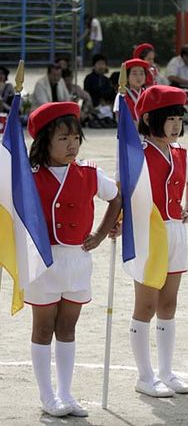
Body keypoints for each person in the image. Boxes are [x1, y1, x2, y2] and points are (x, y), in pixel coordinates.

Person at [24, 102, 121, 417]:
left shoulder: (91, 172)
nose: (72, 145)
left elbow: (116, 197)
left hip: (78, 260)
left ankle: (66, 392)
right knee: (43, 328)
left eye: (76, 138)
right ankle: (47, 395)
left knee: (68, 327)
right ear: (44, 142)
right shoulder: (28, 176)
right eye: (63, 138)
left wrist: (103, 231)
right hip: (43, 261)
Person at [128, 85, 188, 397]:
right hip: (148, 234)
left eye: (178, 119)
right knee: (146, 304)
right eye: (169, 119)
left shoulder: (181, 152)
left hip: (176, 232)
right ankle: (145, 376)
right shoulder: (138, 153)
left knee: (169, 304)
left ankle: (166, 371)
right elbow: (123, 191)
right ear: (147, 119)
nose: (175, 125)